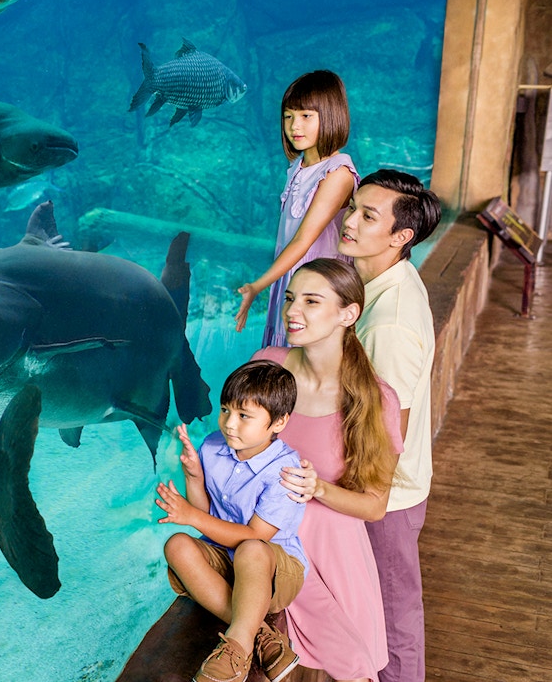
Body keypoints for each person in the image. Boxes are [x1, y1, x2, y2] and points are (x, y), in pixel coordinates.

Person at [255, 258, 403, 682]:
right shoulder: (268, 364)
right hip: (266, 547)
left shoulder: (376, 399)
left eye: (311, 301)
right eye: (289, 298)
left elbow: (375, 507)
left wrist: (318, 487)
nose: (292, 311)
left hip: (332, 556)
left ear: (349, 314)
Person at [337, 169, 441, 682]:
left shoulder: (391, 322)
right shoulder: (379, 280)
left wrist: (359, 501)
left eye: (367, 216)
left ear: (402, 237)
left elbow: (387, 433)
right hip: (375, 490)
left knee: (394, 618)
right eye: (353, 207)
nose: (349, 220)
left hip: (385, 497)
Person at [156, 360, 307, 682]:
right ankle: (262, 634)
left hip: (273, 570)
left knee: (252, 549)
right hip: (225, 561)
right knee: (178, 544)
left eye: (244, 416)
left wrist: (190, 514)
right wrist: (194, 477)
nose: (229, 424)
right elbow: (208, 516)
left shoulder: (285, 471)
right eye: (225, 410)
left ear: (279, 422)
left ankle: (236, 650)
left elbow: (254, 536)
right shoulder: (212, 446)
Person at [236, 70, 358, 347]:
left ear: (330, 116)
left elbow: (304, 240)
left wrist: (257, 285)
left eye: (306, 116)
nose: (294, 126)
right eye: (289, 116)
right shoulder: (297, 167)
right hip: (290, 277)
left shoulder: (338, 173)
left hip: (318, 287)